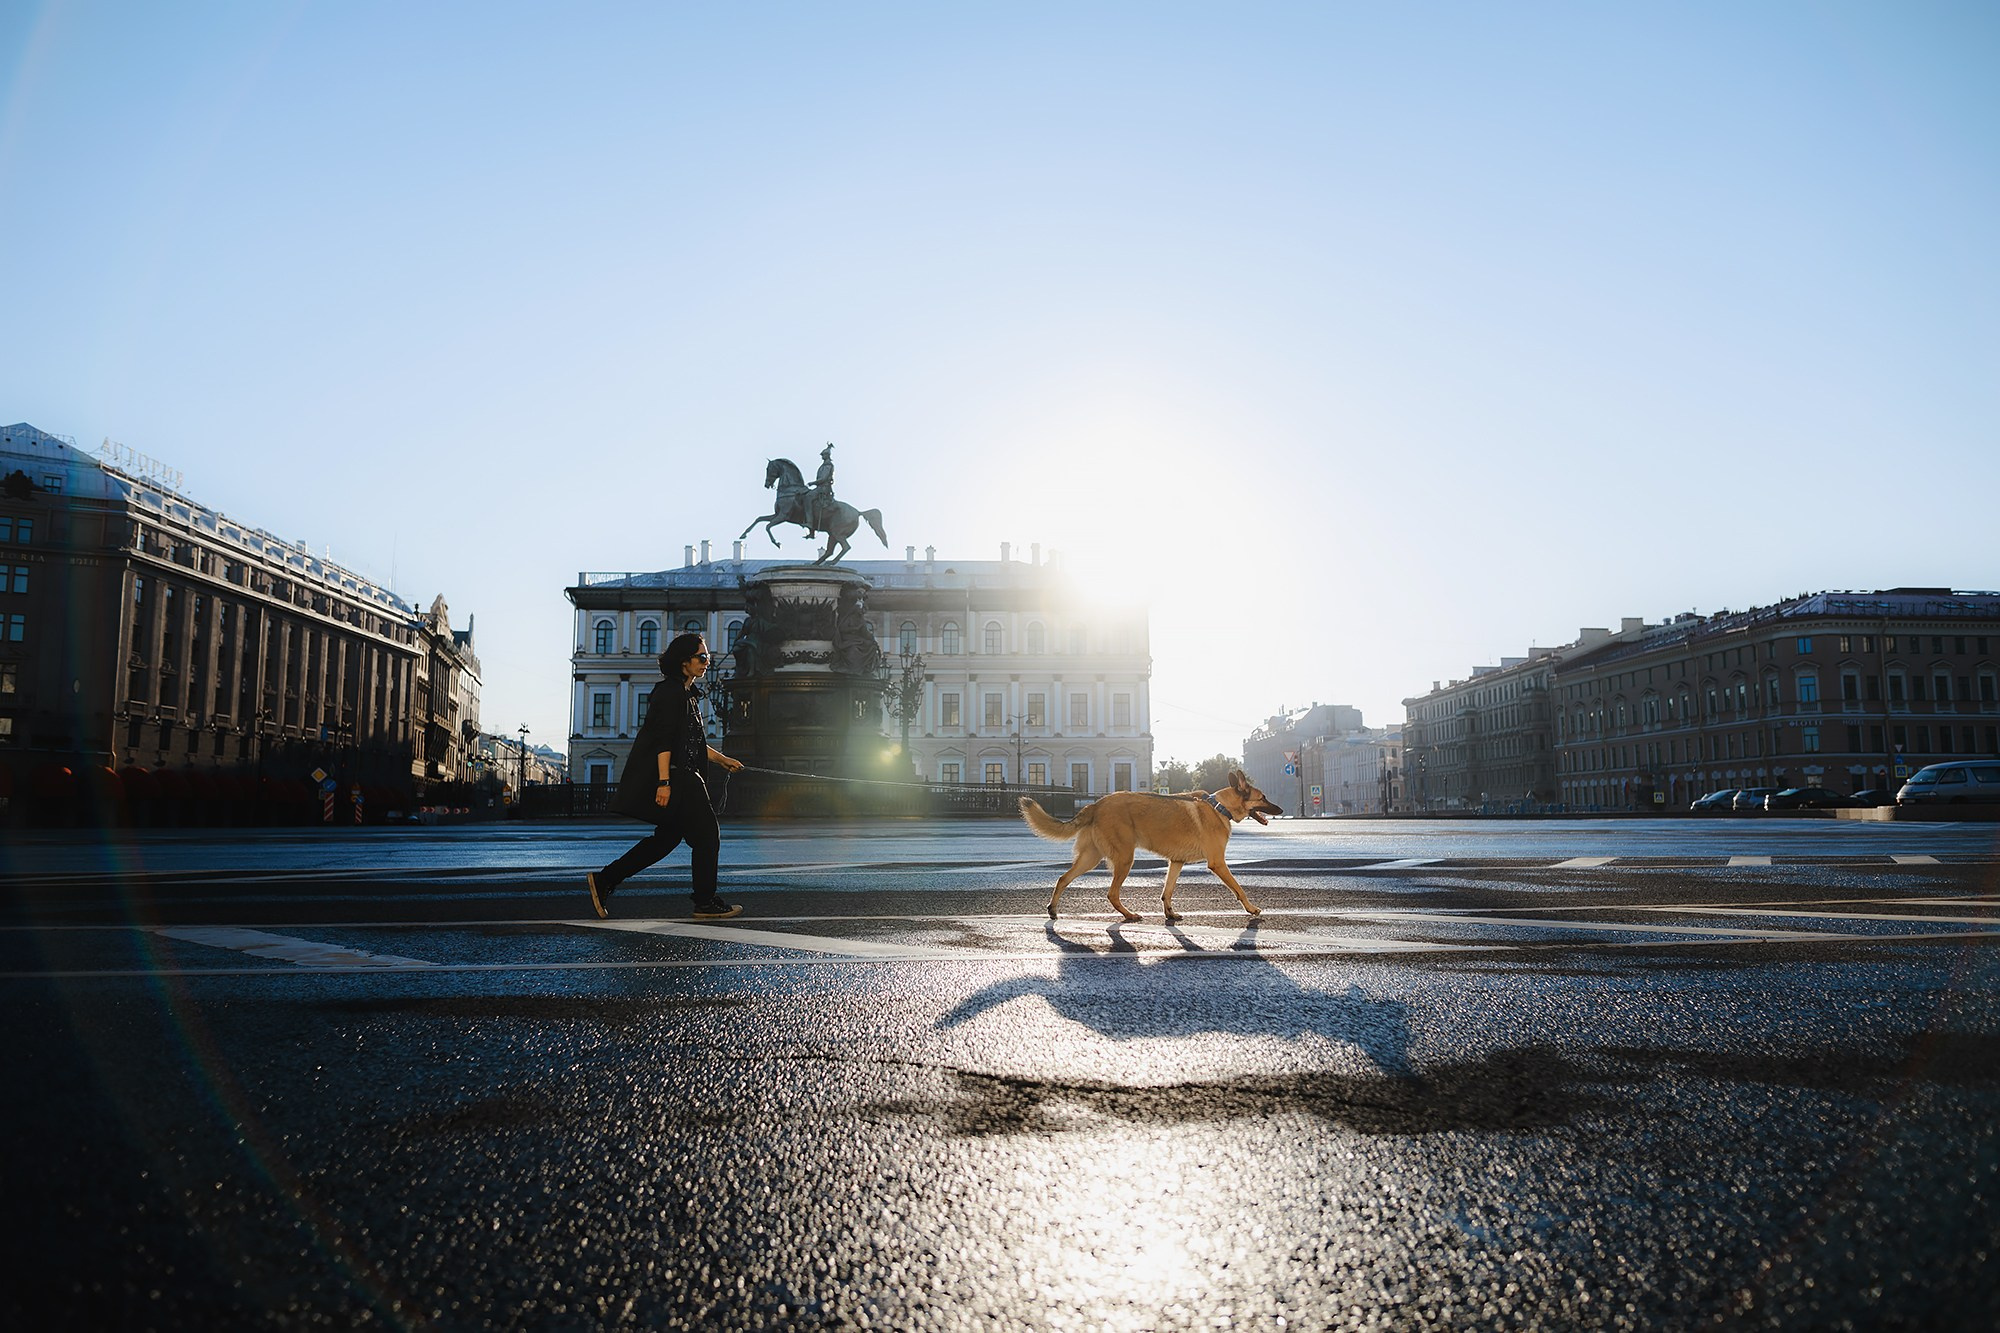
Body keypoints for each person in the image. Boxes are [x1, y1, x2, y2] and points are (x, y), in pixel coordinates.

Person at [587, 632, 746, 919]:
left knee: (665, 839)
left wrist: (722, 760)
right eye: (702, 657)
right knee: (708, 836)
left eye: (707, 657)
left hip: (685, 775)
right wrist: (664, 782)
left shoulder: (687, 694)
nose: (707, 662)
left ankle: (605, 879)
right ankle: (705, 901)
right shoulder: (670, 693)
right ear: (684, 661)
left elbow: (691, 741)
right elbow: (664, 741)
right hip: (680, 777)